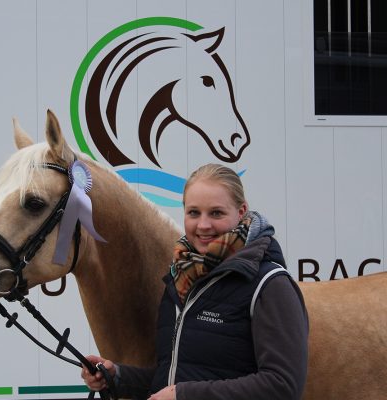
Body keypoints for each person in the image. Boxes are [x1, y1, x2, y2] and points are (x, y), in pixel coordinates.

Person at [81, 164, 308, 400]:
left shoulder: (270, 284)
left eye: (216, 213)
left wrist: (184, 395)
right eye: (194, 213)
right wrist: (117, 377)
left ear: (241, 211)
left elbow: (283, 385)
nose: (203, 225)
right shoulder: (181, 279)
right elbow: (172, 377)